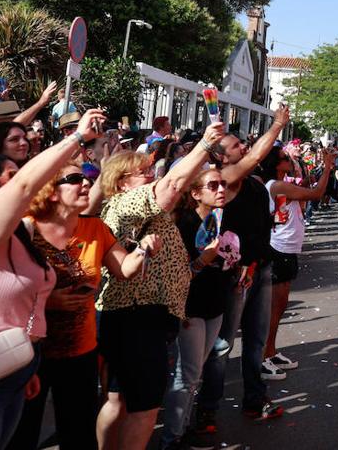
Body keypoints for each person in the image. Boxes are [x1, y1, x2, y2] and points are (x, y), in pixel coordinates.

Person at [0, 108, 106, 450]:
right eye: (11, 175)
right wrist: (77, 138)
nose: (24, 180)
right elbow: (29, 184)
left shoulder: (18, 232)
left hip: (15, 366)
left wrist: (25, 364)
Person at [8, 158, 160, 450]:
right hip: (30, 350)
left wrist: (143, 249)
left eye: (87, 178)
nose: (86, 183)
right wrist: (48, 301)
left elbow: (124, 270)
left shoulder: (95, 228)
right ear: (51, 191)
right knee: (22, 434)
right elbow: (3, 287)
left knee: (78, 434)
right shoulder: (26, 228)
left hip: (80, 351)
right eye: (75, 179)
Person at [93, 121, 225, 450]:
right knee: (145, 407)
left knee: (118, 400)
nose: (152, 176)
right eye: (143, 173)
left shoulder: (125, 207)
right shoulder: (126, 205)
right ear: (122, 183)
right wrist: (206, 144)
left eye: (152, 171)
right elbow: (175, 183)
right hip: (138, 318)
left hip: (133, 315)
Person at [195, 107, 292, 429]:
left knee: (255, 339)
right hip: (236, 276)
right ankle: (207, 409)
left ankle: (255, 399)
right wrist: (277, 124)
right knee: (223, 345)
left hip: (261, 267)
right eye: (237, 146)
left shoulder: (251, 182)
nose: (245, 148)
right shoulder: (226, 180)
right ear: (222, 159)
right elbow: (253, 158)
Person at [160, 167, 237, 450]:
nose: (221, 190)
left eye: (223, 184)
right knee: (188, 373)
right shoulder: (184, 224)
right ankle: (171, 439)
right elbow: (176, 275)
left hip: (214, 304)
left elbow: (222, 259)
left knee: (196, 372)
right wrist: (202, 261)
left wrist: (236, 268)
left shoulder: (217, 219)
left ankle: (181, 428)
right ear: (195, 193)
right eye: (213, 185)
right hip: (189, 308)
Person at [259, 146, 332, 376]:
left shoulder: (283, 184)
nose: (290, 160)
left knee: (279, 307)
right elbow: (316, 194)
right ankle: (263, 356)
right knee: (274, 307)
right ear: (275, 163)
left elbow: (303, 192)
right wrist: (328, 165)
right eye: (285, 158)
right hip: (278, 248)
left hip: (287, 248)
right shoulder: (277, 185)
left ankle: (270, 351)